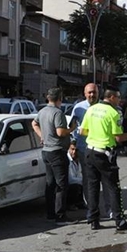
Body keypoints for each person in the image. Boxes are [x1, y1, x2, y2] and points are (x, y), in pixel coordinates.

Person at [80, 87, 127, 231]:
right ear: (112, 97)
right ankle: (119, 220)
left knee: (92, 187)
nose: (120, 101)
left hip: (90, 151)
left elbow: (83, 131)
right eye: (119, 98)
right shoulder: (114, 113)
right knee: (113, 187)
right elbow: (118, 137)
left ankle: (93, 220)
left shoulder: (91, 109)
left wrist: (97, 133)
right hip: (104, 154)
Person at [32, 88, 76, 225]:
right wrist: (72, 129)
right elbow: (60, 132)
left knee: (50, 184)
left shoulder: (42, 111)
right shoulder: (58, 113)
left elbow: (34, 123)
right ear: (59, 99)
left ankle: (50, 214)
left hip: (46, 151)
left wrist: (42, 136)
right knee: (61, 185)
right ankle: (60, 216)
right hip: (57, 151)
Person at [70, 83, 99, 212]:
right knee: (88, 178)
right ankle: (91, 206)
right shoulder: (78, 107)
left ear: (98, 93)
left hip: (100, 148)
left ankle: (104, 206)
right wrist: (72, 144)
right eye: (89, 92)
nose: (91, 95)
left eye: (94, 92)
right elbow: (73, 127)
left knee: (102, 178)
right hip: (84, 148)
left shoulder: (103, 107)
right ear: (85, 93)